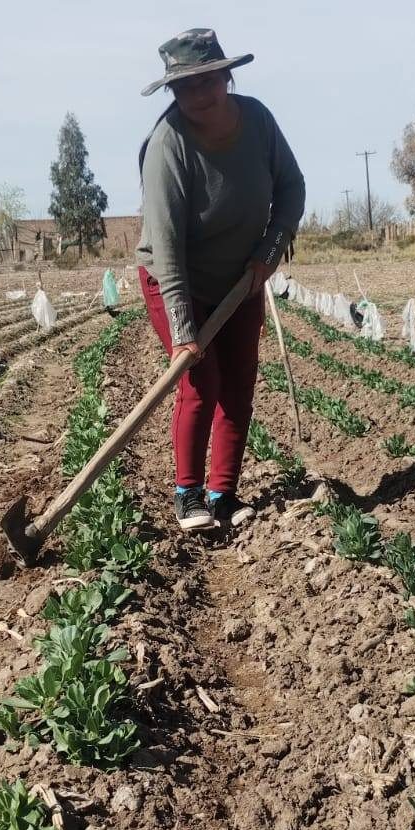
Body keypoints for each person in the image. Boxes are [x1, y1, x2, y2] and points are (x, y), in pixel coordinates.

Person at [136, 28, 305, 532]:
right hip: (175, 280)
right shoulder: (169, 144)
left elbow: (291, 188)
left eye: (206, 80)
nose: (198, 94)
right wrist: (185, 331)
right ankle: (187, 495)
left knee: (239, 384)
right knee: (201, 380)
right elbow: (166, 248)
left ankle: (222, 496)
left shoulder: (258, 121)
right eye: (184, 87)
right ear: (173, 92)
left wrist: (268, 255)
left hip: (240, 279)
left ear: (226, 76)